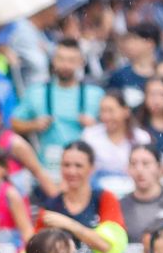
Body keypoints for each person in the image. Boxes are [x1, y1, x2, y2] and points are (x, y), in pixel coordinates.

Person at [29, 141, 131, 253]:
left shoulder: (104, 199)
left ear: (92, 168)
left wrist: (69, 224)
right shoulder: (51, 208)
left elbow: (110, 249)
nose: (72, 171)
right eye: (66, 165)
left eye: (78, 166)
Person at [13, 37, 104, 170]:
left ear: (81, 62)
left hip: (86, 166)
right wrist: (33, 125)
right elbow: (14, 123)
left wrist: (94, 126)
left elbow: (113, 128)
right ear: (53, 60)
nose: (65, 65)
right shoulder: (36, 92)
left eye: (71, 60)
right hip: (49, 165)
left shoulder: (96, 94)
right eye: (61, 59)